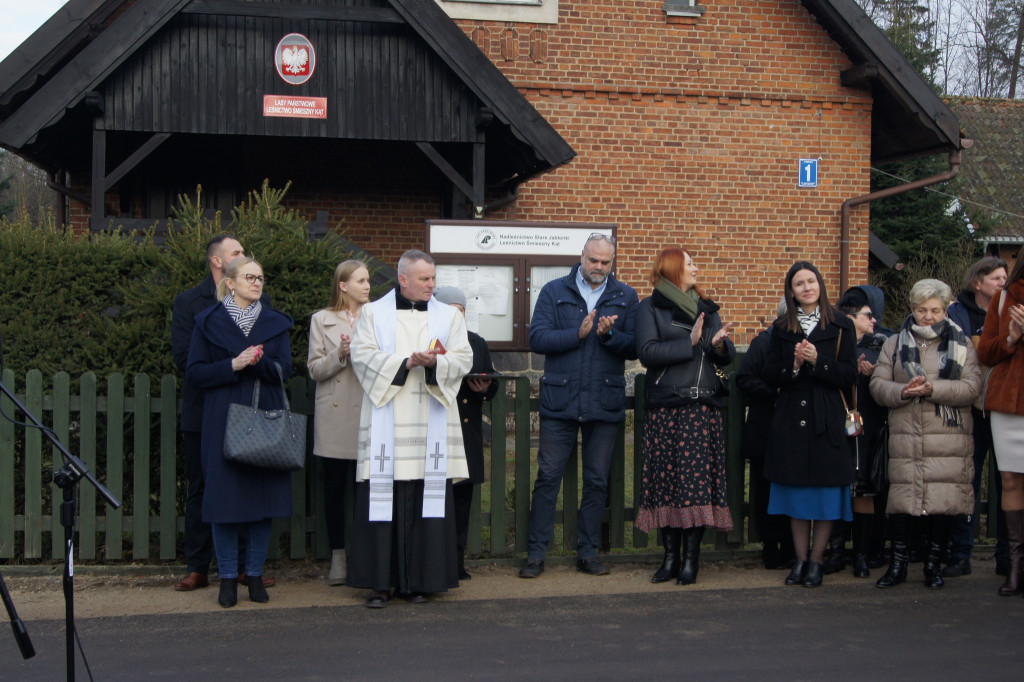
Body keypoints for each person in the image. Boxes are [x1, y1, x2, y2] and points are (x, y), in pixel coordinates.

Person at [348, 250, 473, 608]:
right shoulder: (373, 313)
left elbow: (464, 357)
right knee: (381, 496)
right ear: (403, 279)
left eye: (433, 278)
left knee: (426, 497)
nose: (432, 285)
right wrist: (404, 363)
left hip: (430, 416)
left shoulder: (448, 315)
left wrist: (436, 363)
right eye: (424, 279)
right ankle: (379, 584)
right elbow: (362, 355)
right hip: (388, 418)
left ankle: (420, 581)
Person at [520, 234, 639, 579]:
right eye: (593, 261)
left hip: (603, 400)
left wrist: (609, 336)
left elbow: (633, 348)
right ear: (581, 257)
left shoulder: (625, 295)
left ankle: (587, 553)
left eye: (606, 262)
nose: (599, 268)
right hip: (561, 400)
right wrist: (579, 333)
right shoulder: (554, 291)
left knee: (597, 481)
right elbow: (537, 338)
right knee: (548, 478)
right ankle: (536, 554)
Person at [186, 257, 295, 607]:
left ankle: (256, 576)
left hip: (265, 421)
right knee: (223, 503)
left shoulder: (275, 323)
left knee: (263, 503)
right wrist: (232, 364)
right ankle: (228, 580)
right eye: (250, 277)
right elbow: (195, 373)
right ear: (230, 282)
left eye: (261, 277)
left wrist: (259, 361)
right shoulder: (207, 322)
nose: (257, 282)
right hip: (222, 420)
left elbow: (285, 370)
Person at [171, 235, 273, 592]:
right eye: (237, 253)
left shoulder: (264, 306)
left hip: (249, 413)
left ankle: (246, 568)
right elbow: (186, 360)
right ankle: (198, 567)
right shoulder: (190, 304)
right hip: (206, 412)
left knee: (246, 487)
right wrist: (233, 362)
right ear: (219, 263)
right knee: (203, 488)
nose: (244, 257)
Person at [869, 278, 981, 590]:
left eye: (934, 310)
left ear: (946, 310)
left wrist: (934, 389)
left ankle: (934, 565)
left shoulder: (962, 343)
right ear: (912, 309)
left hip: (947, 434)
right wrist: (903, 390)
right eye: (921, 310)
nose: (927, 316)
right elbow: (877, 385)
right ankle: (898, 565)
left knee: (943, 501)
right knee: (903, 502)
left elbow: (972, 387)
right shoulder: (894, 343)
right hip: (906, 431)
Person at [634, 247, 735, 585]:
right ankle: (669, 559)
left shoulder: (708, 308)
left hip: (702, 406)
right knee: (666, 485)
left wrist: (719, 345)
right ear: (674, 268)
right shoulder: (650, 307)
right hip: (666, 405)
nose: (696, 268)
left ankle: (691, 561)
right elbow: (647, 353)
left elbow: (723, 360)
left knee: (695, 487)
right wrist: (689, 342)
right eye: (690, 263)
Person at [762, 261, 857, 588]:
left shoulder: (842, 324)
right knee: (797, 494)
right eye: (799, 283)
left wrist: (819, 362)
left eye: (811, 281)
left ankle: (817, 562)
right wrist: (795, 364)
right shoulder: (781, 327)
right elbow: (770, 374)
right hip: (790, 417)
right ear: (791, 291)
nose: (806, 288)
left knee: (826, 493)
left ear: (820, 285)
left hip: (827, 416)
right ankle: (800, 561)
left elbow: (849, 375)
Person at [307, 260, 371, 586]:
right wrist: (341, 354)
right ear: (343, 285)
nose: (367, 286)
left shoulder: (378, 317)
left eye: (368, 280)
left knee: (367, 488)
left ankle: (364, 556)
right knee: (334, 489)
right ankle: (338, 557)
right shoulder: (321, 319)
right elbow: (315, 370)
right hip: (334, 413)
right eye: (360, 280)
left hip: (370, 411)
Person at [945, 256, 1009, 579]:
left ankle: (1007, 556)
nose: (1002, 282)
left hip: (1004, 407)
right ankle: (960, 553)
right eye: (996, 277)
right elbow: (962, 356)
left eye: (1004, 277)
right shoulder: (957, 314)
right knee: (967, 481)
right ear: (977, 282)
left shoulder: (1009, 310)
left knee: (1008, 483)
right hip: (971, 409)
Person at [432, 286, 499, 580]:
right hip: (437, 429)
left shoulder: (476, 342)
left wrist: (487, 386)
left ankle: (457, 562)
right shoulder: (429, 341)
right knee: (437, 499)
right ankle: (437, 561)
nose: (458, 316)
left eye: (462, 311)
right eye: (452, 311)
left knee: (461, 502)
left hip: (467, 429)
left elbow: (490, 375)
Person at [834, 286, 890, 578]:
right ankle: (835, 550)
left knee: (864, 490)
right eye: (868, 315)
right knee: (838, 490)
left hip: (867, 428)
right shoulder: (834, 342)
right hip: (837, 427)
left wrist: (875, 373)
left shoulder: (881, 344)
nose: (874, 321)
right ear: (849, 316)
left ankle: (862, 555)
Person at [977, 255, 1024, 597]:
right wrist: (1011, 338)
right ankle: (1015, 567)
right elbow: (986, 353)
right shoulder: (1004, 297)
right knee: (1009, 479)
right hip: (1007, 401)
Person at [737, 299, 795, 570]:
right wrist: (775, 394)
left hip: (796, 431)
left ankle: (793, 549)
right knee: (766, 492)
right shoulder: (764, 343)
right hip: (767, 429)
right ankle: (770, 547)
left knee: (794, 491)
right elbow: (745, 378)